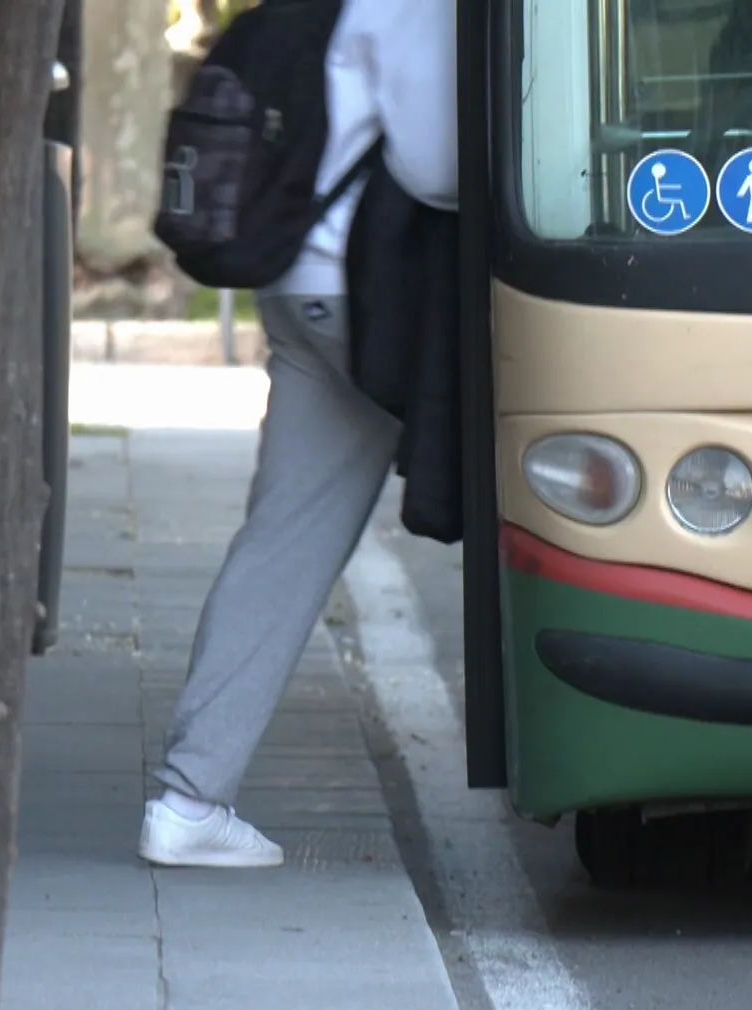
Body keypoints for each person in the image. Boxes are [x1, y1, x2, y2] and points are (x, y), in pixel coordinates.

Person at [137, 2, 459, 869]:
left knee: (282, 541)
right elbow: (436, 167)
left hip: (299, 285)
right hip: (366, 290)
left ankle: (189, 798)